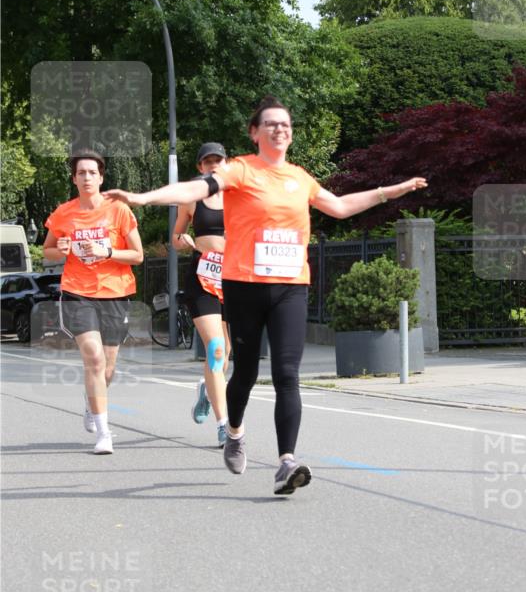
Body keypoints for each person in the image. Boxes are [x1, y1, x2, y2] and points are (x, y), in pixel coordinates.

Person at [108, 97, 426, 493]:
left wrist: (389, 191)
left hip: (291, 286)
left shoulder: (300, 178)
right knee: (244, 372)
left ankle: (286, 462)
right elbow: (196, 187)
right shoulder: (240, 169)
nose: (280, 129)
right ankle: (234, 432)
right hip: (243, 285)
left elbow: (341, 206)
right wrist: (143, 197)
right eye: (271, 124)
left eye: (285, 124)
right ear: (254, 132)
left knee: (286, 374)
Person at [43, 151, 144, 455]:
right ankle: (104, 432)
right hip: (78, 292)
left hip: (115, 292)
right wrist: (60, 249)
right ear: (74, 178)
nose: (87, 177)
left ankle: (91, 402)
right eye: (81, 173)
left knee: (108, 367)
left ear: (101, 177)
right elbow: (48, 251)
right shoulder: (64, 213)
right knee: (94, 359)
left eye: (92, 172)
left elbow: (138, 255)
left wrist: (107, 251)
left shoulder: (119, 210)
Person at [172, 142, 230, 447]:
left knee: (225, 355)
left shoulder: (239, 196)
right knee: (216, 350)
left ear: (226, 163)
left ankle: (207, 389)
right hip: (202, 277)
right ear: (200, 167)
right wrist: (185, 240)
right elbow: (176, 236)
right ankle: (224, 426)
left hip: (233, 278)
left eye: (218, 160)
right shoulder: (192, 199)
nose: (213, 165)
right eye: (208, 162)